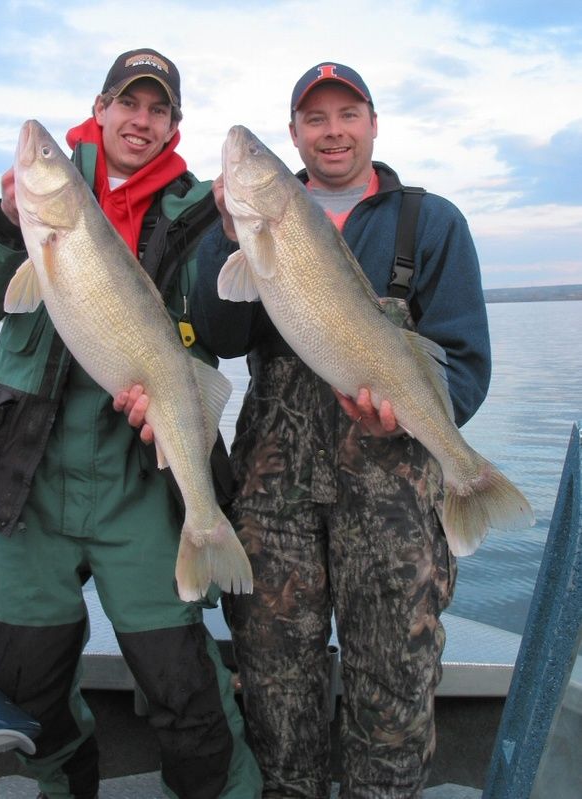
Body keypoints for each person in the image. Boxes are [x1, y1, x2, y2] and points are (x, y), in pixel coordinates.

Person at [0, 48, 261, 799]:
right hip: (28, 483)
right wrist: (7, 222)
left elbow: (216, 328)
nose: (140, 122)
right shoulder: (44, 200)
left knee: (184, 689)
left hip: (138, 483)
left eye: (158, 110)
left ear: (174, 124)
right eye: (128, 103)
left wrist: (179, 368)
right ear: (101, 106)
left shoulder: (202, 208)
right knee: (27, 683)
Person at [187, 62, 492, 798]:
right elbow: (221, 334)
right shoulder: (240, 222)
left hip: (394, 499)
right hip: (274, 499)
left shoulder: (429, 220)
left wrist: (414, 415)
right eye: (313, 119)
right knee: (272, 682)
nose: (331, 131)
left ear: (373, 123)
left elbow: (464, 361)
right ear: (294, 133)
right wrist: (229, 236)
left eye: (346, 114)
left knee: (391, 685)